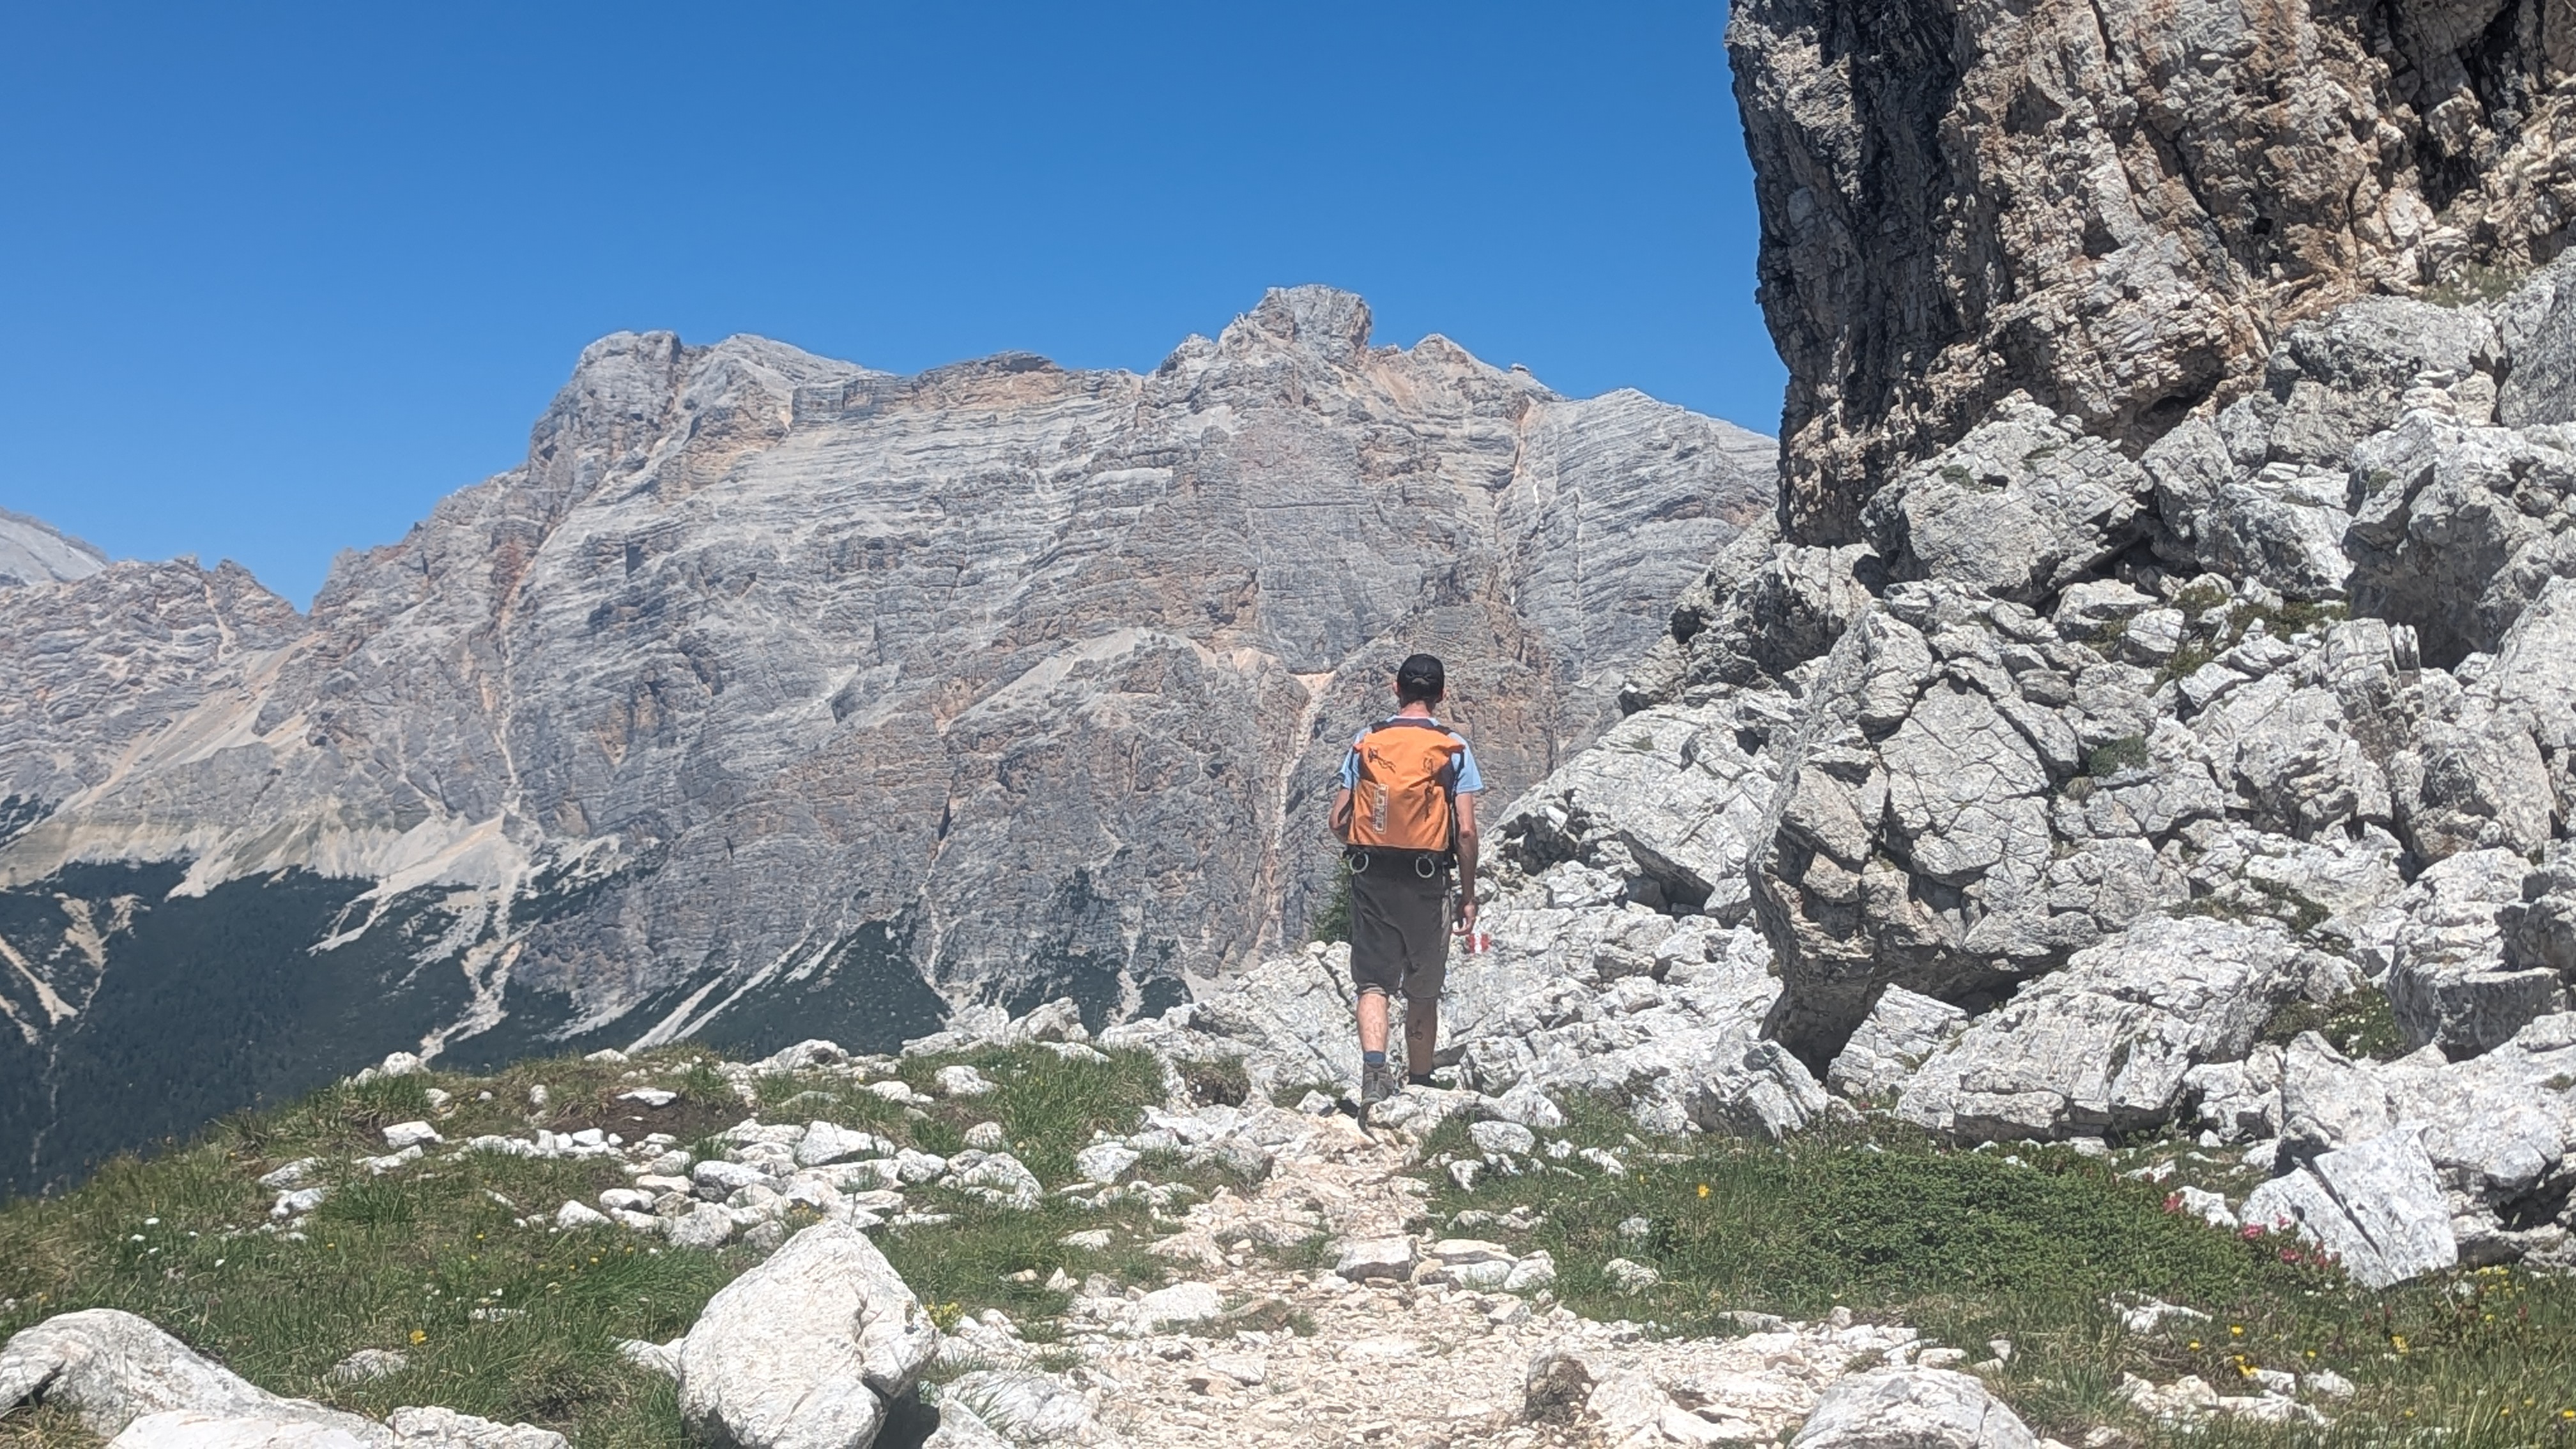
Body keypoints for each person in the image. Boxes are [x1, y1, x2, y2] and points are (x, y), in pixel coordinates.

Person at [1328, 652, 1482, 1107]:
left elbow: (1338, 820)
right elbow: (1468, 829)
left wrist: (1366, 839)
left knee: (1373, 983)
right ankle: (1419, 1083)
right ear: (1441, 695)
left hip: (1372, 875)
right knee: (1423, 988)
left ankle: (1374, 1072)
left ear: (1396, 690)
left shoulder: (1367, 740)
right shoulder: (1454, 748)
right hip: (1427, 878)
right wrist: (1468, 896)